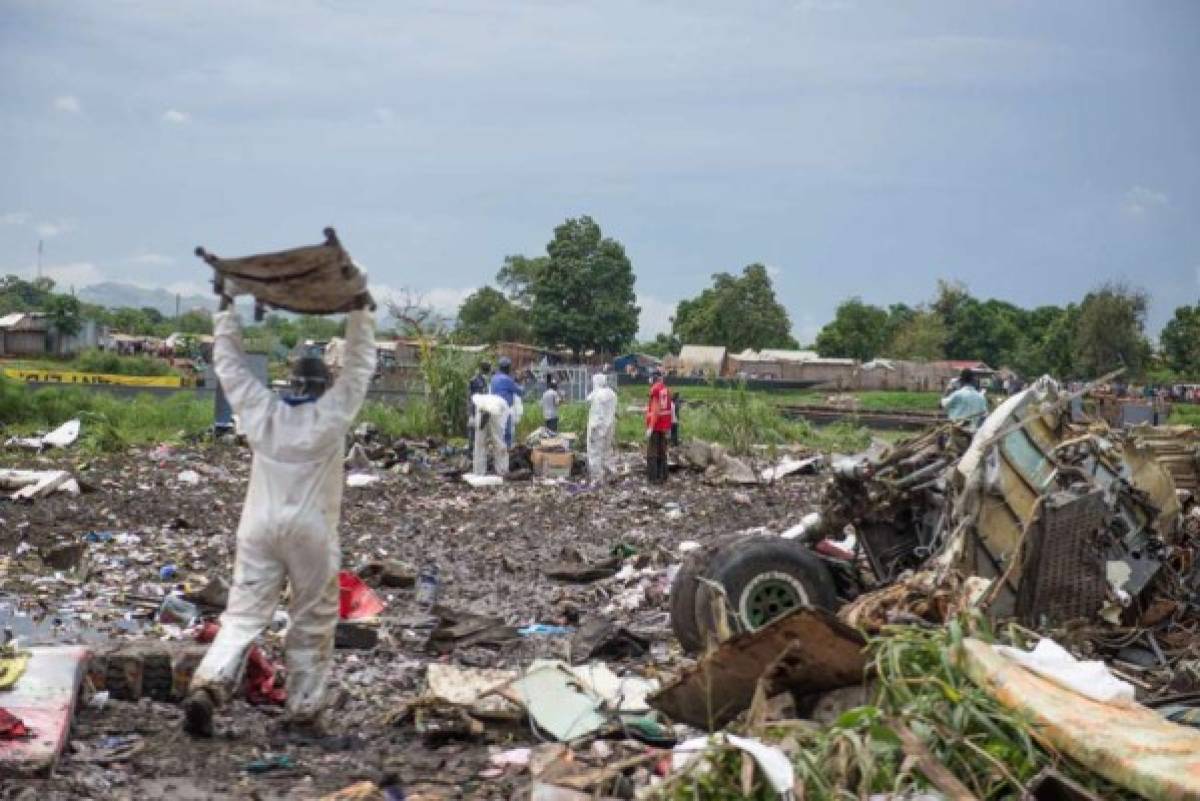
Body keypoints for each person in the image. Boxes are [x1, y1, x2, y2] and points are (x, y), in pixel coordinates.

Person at [182, 293, 376, 738]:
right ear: (325, 385)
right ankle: (304, 711)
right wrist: (359, 311)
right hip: (310, 530)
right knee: (312, 619)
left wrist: (226, 310)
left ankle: (208, 685)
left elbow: (229, 367)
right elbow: (360, 366)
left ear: (290, 384)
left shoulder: (262, 415)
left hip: (258, 527)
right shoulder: (333, 416)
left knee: (243, 615)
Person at [586, 373, 617, 483]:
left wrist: (594, 428)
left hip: (597, 428)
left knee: (594, 453)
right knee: (607, 451)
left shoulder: (598, 395)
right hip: (609, 427)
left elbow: (597, 413)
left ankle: (597, 478)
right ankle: (610, 474)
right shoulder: (612, 393)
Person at [471, 391, 509, 476]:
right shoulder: (480, 402)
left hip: (497, 412)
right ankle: (479, 471)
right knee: (480, 444)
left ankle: (502, 470)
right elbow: (480, 425)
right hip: (485, 410)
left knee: (498, 443)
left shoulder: (501, 408)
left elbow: (501, 428)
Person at [645, 369, 672, 483]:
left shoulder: (655, 390)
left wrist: (650, 427)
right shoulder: (665, 389)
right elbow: (670, 408)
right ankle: (663, 476)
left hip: (656, 425)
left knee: (652, 452)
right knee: (662, 451)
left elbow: (656, 410)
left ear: (653, 378)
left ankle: (653, 478)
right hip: (664, 425)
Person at [489, 356, 521, 447]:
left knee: (498, 434)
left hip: (495, 409)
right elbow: (520, 391)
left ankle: (498, 452)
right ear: (508, 368)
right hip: (505, 410)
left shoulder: (494, 379)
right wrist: (518, 381)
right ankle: (507, 454)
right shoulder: (507, 379)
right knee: (507, 434)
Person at [467, 361, 491, 448]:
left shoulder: (486, 380)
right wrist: (470, 415)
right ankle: (471, 449)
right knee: (472, 430)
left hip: (483, 410)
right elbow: (469, 398)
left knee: (481, 433)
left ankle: (478, 449)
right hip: (474, 409)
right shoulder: (474, 381)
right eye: (487, 371)